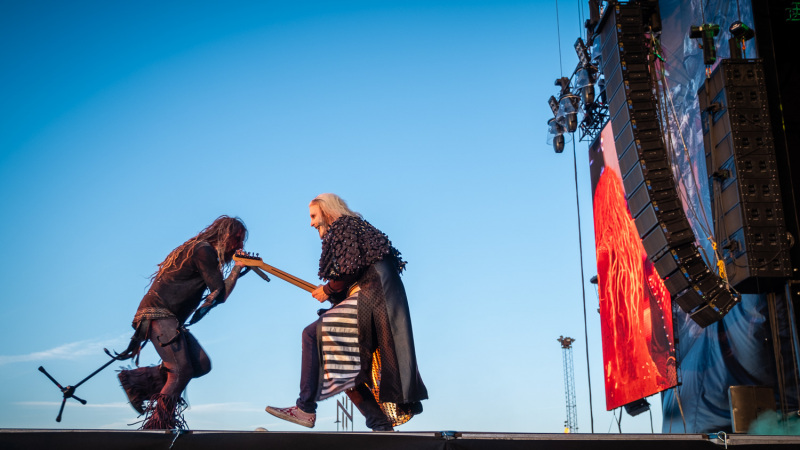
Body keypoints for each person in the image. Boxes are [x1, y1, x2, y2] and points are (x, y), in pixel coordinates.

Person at [266, 194, 427, 431]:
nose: (311, 223)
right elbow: (354, 271)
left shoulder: (343, 225)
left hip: (373, 298)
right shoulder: (355, 228)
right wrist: (332, 292)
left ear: (327, 210)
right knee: (343, 367)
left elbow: (349, 270)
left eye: (313, 216)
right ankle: (381, 425)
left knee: (312, 335)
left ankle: (305, 409)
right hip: (377, 300)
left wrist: (328, 289)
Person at [116, 215, 248, 430]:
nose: (239, 245)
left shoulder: (199, 249)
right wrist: (237, 268)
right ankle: (157, 427)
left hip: (169, 318)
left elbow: (215, 294)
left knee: (201, 364)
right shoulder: (203, 250)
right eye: (237, 239)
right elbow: (219, 294)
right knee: (181, 370)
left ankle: (138, 381)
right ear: (224, 236)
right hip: (158, 313)